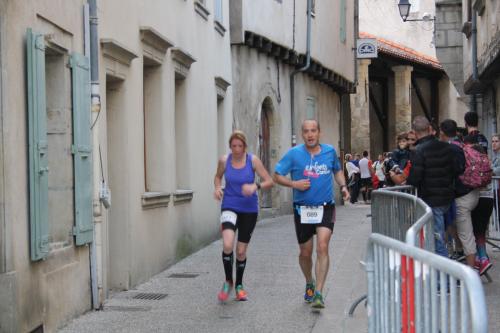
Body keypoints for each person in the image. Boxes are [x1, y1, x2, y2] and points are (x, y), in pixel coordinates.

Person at [273, 119, 349, 309]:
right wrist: (294, 184)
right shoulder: (294, 154)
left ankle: (319, 293)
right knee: (305, 253)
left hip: (325, 207)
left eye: (313, 130)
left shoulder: (330, 152)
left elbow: (337, 171)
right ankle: (309, 281)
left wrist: (344, 186)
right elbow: (277, 175)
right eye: (306, 131)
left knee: (322, 247)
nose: (310, 134)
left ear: (319, 132)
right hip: (302, 209)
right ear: (302, 134)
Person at [213, 130, 274, 302]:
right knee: (227, 244)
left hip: (249, 210)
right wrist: (218, 188)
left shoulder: (252, 160)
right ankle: (228, 281)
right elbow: (217, 177)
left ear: (245, 146)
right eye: (234, 146)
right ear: (230, 146)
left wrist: (256, 186)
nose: (237, 149)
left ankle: (239, 285)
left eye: (240, 146)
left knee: (240, 251)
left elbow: (269, 180)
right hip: (229, 206)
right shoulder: (225, 160)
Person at [390, 116, 460, 258]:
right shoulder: (447, 147)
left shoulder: (418, 151)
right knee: (441, 236)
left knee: (436, 241)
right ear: (430, 129)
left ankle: (444, 278)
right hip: (447, 198)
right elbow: (457, 169)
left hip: (431, 199)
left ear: (415, 133)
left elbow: (415, 178)